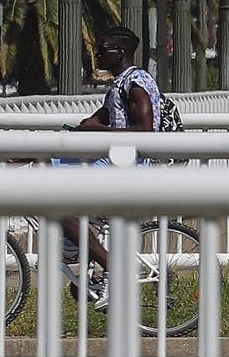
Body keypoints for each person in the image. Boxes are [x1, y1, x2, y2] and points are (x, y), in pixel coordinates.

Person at [63, 26, 162, 298]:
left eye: (101, 51)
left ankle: (109, 263)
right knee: (45, 165)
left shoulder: (136, 83)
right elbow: (104, 116)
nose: (96, 55)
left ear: (119, 53)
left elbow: (145, 132)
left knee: (56, 204)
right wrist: (88, 125)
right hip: (115, 159)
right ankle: (77, 245)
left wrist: (98, 131)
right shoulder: (120, 83)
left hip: (127, 164)